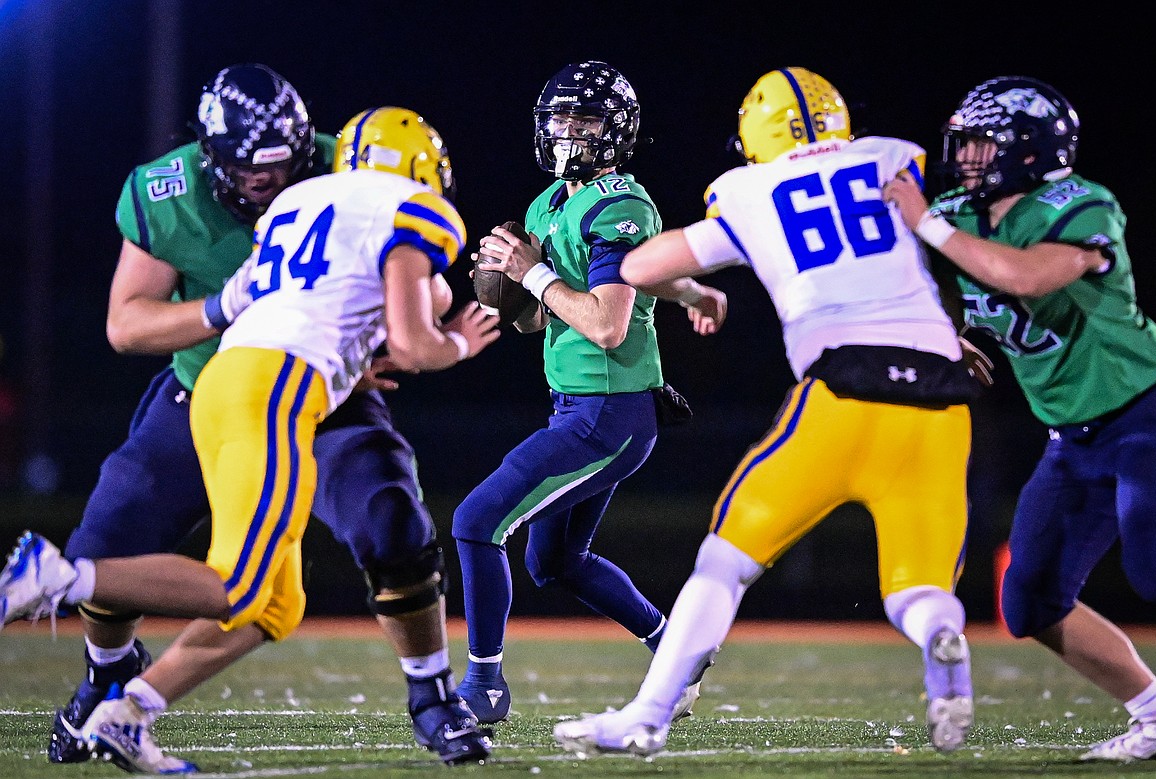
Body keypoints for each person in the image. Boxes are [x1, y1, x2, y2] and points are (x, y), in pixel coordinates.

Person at [0, 97, 499, 769]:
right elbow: (413, 338)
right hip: (274, 393)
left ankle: (130, 712)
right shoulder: (414, 205)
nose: (264, 178)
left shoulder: (300, 200)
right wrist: (459, 342)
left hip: (248, 380)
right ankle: (62, 578)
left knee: (277, 602)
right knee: (234, 585)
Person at [553, 66, 983, 758]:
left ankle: (649, 714)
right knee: (919, 583)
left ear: (759, 132)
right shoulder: (889, 160)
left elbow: (637, 267)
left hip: (841, 391)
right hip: (940, 396)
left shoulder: (751, 189)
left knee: (723, 562)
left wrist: (693, 283)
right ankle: (939, 631)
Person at [882, 75, 1156, 763]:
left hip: (1148, 418)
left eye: (984, 143)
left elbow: (1027, 278)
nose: (968, 156)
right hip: (1071, 438)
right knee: (1031, 600)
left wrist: (926, 223)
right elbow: (961, 293)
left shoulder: (1079, 203)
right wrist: (955, 342)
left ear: (1031, 149)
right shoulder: (958, 212)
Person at [451, 60, 727, 725]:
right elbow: (547, 312)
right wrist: (508, 287)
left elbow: (607, 321)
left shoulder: (620, 205)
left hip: (611, 414)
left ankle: (483, 687)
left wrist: (534, 271)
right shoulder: (548, 204)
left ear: (617, 132)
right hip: (575, 406)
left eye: (585, 121)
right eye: (560, 120)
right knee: (556, 561)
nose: (569, 133)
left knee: (475, 521)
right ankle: (677, 650)